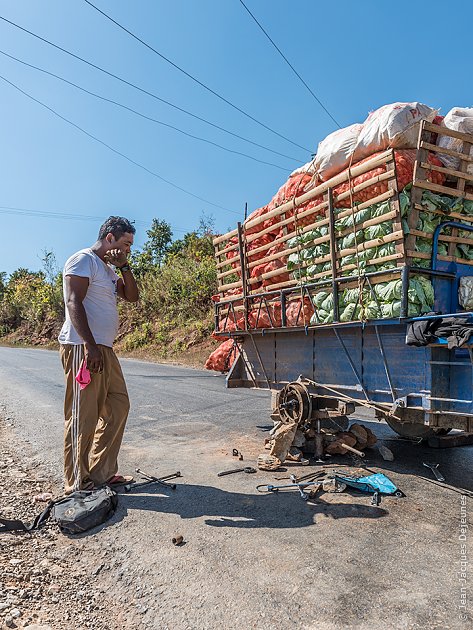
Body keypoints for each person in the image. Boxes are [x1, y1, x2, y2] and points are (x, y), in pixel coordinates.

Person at [58, 216, 139, 494]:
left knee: (118, 405)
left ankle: (101, 473)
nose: (128, 248)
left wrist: (124, 266)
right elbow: (73, 302)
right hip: (83, 347)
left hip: (103, 348)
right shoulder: (83, 260)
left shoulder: (108, 269)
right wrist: (89, 346)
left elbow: (132, 296)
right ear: (110, 238)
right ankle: (77, 482)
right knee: (84, 416)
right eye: (126, 244)